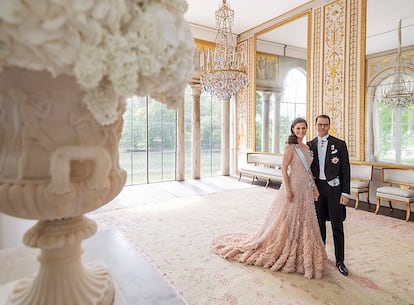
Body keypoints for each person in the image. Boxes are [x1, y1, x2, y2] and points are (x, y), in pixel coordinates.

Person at [211, 118, 327, 279]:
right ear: (293, 129)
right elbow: (284, 169)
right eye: (298, 128)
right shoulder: (290, 149)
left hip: (306, 189)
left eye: (303, 128)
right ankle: (284, 245)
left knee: (304, 220)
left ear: (307, 129)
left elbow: (309, 172)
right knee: (287, 219)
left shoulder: (307, 147)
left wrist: (314, 187)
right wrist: (287, 190)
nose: (301, 131)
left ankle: (301, 247)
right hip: (293, 187)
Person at [308, 114, 351, 276]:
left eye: (325, 125)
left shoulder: (339, 144)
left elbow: (346, 170)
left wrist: (345, 192)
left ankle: (340, 260)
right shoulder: (309, 145)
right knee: (319, 225)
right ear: (315, 125)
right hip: (317, 190)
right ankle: (321, 256)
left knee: (337, 225)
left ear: (329, 125)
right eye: (319, 124)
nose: (322, 127)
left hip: (335, 189)